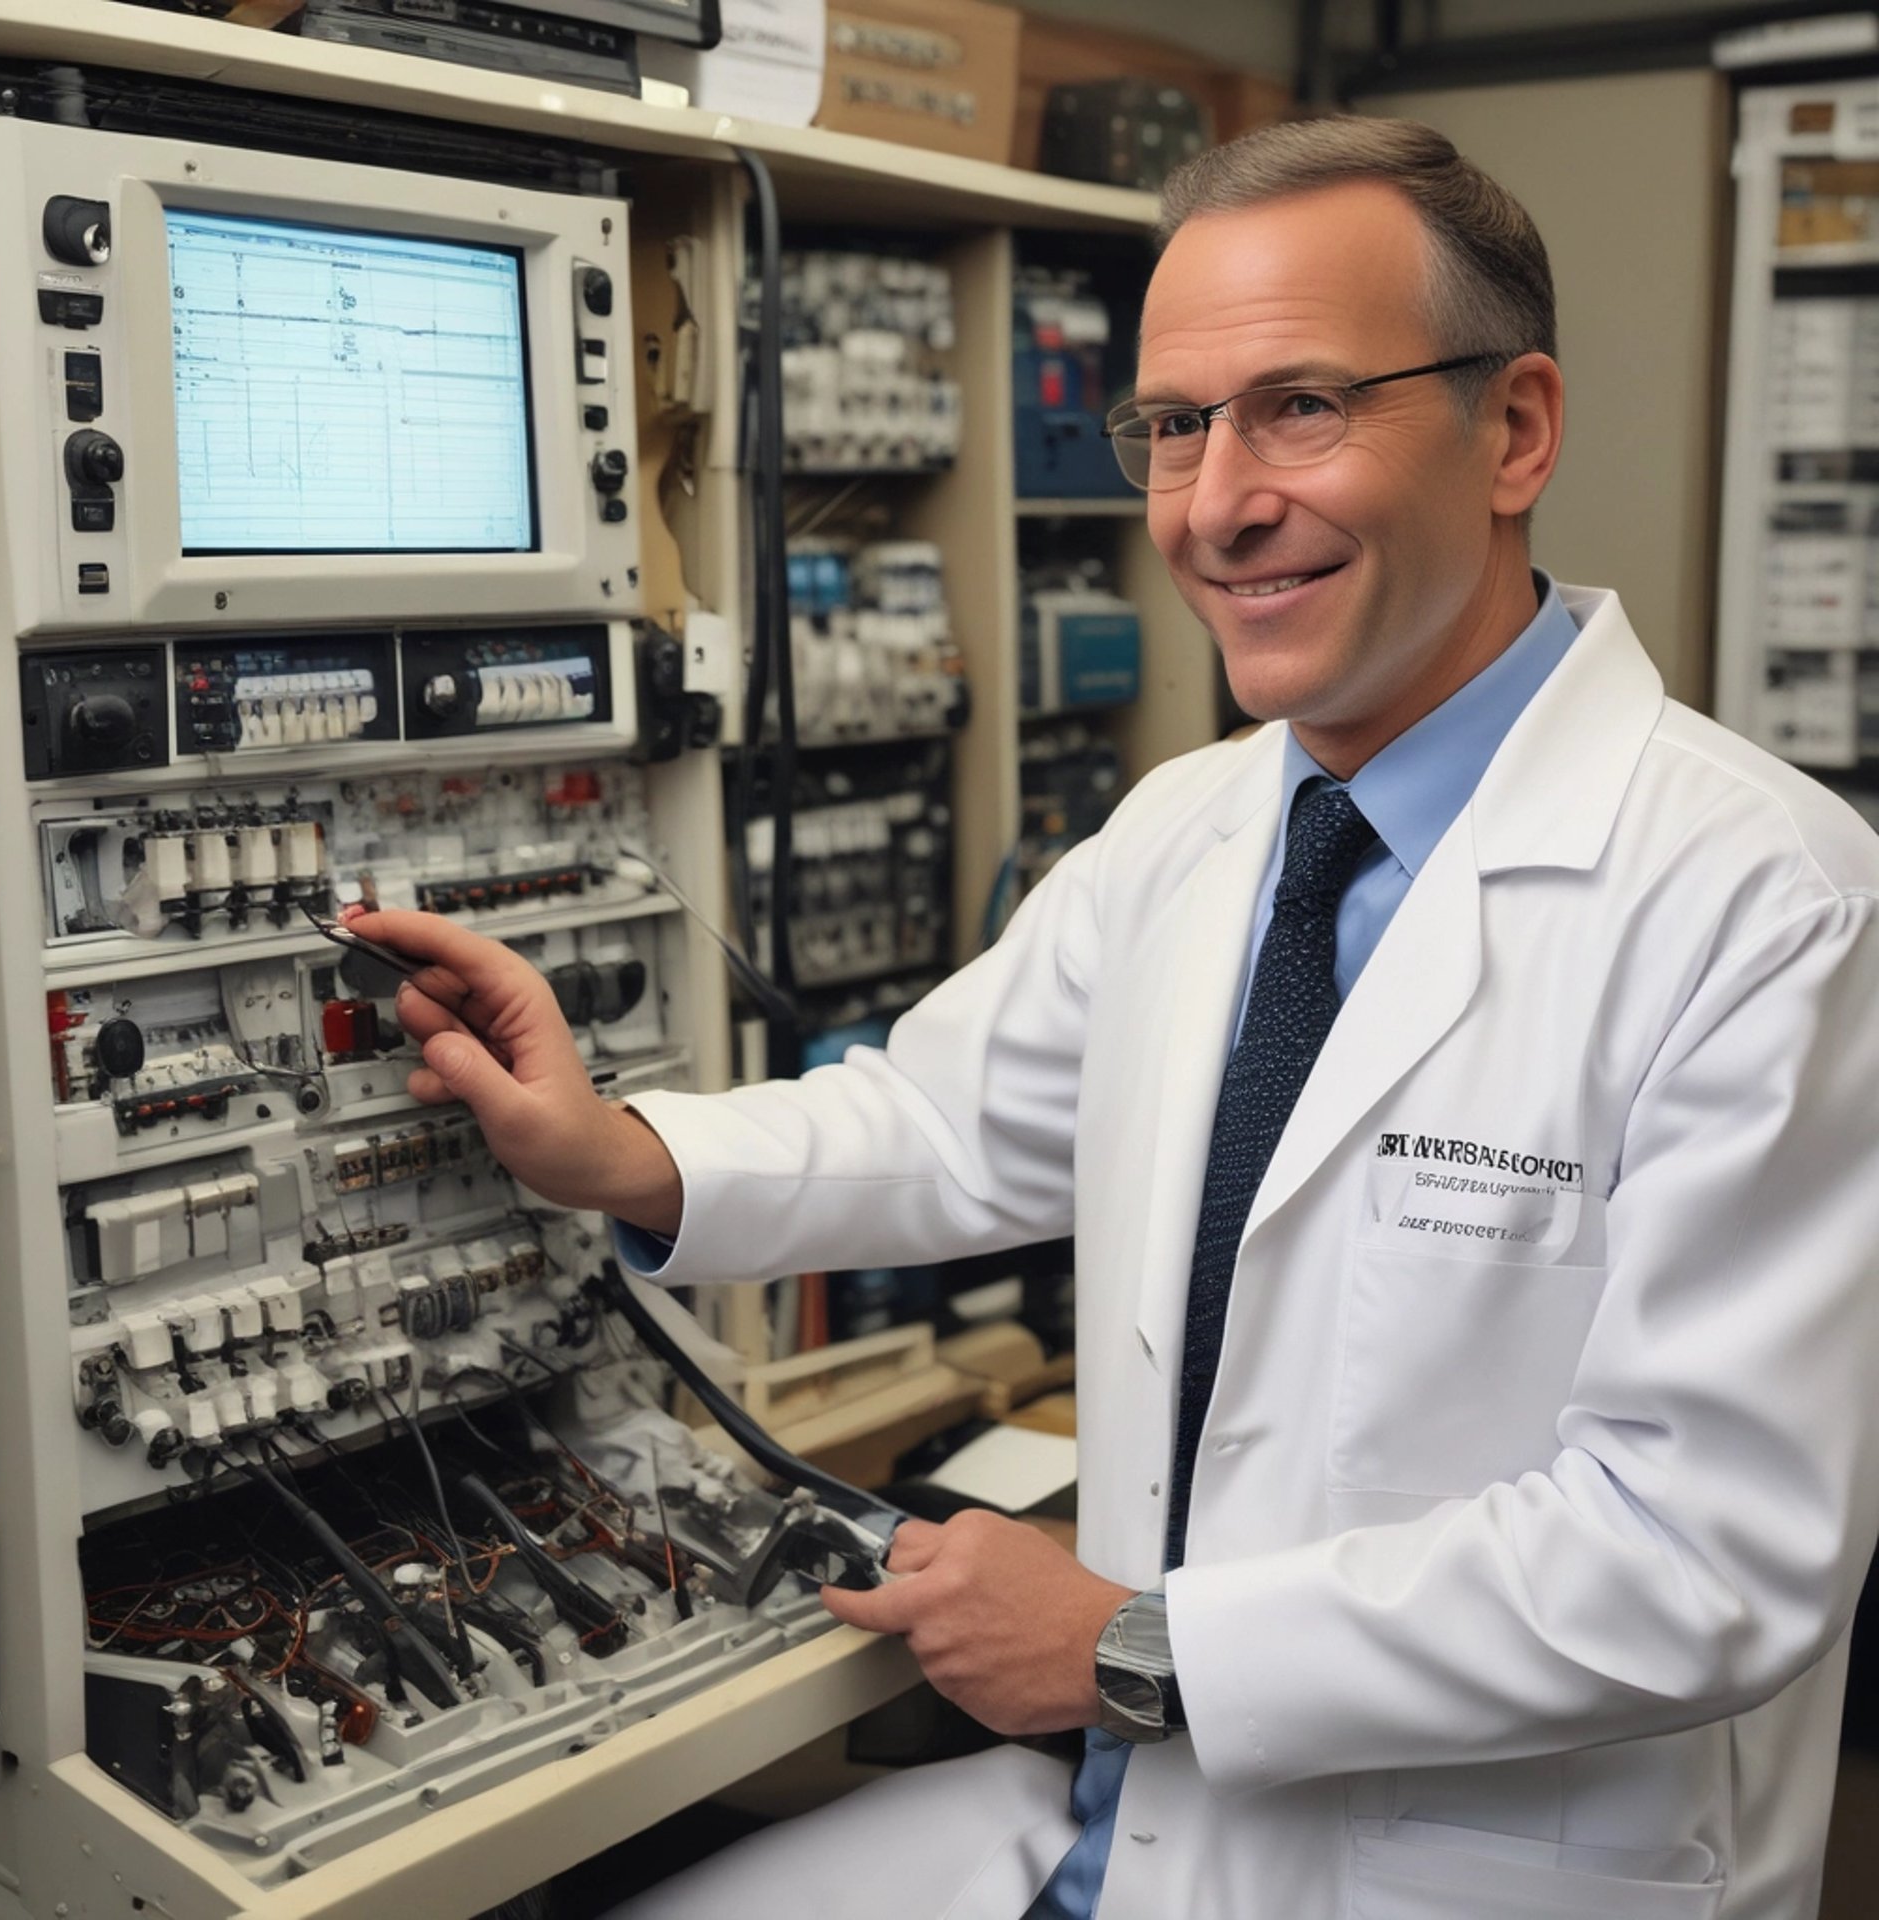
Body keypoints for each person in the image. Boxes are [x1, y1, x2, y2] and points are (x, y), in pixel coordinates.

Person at [350, 117, 1879, 1920]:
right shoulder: (1196, 829)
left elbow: (1702, 1553)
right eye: (1173, 425)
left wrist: (1141, 1651)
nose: (1215, 503)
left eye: (1302, 406)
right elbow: (940, 1124)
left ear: (1516, 430)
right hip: (1131, 1827)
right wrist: (612, 1142)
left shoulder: (1763, 896)